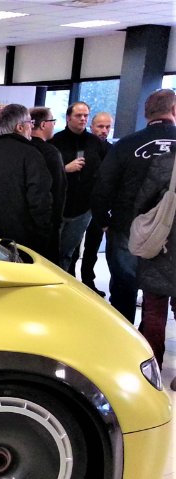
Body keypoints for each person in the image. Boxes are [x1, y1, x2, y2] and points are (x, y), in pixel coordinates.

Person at [91, 89, 176, 323]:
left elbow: (102, 186)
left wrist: (104, 222)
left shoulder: (126, 145)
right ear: (174, 109)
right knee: (158, 296)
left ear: (146, 113)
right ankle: (151, 338)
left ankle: (123, 336)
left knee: (123, 287)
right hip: (171, 233)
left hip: (127, 226)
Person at [0, 104, 55, 261]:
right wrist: (44, 233)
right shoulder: (31, 154)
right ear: (20, 127)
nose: (32, 127)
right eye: (30, 123)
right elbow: (39, 199)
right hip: (20, 241)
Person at [132, 151, 176, 390]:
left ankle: (153, 371)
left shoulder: (165, 162)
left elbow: (143, 201)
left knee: (154, 312)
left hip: (162, 245)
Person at [50, 101, 104, 272]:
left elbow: (104, 171)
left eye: (85, 115)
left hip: (83, 209)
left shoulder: (95, 143)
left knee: (68, 252)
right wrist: (65, 169)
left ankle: (64, 281)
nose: (83, 119)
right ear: (68, 118)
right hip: (58, 207)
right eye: (78, 115)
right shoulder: (55, 141)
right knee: (51, 251)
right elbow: (45, 172)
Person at [75, 111, 114, 295]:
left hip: (101, 205)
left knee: (93, 245)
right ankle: (71, 279)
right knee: (74, 245)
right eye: (100, 126)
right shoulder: (83, 146)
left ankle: (88, 281)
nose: (104, 130)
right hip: (79, 203)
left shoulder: (113, 150)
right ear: (92, 126)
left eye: (107, 127)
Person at [29, 107, 67, 264]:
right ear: (43, 124)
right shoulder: (50, 152)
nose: (54, 125)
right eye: (53, 121)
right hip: (46, 223)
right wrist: (56, 221)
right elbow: (58, 190)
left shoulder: (20, 149)